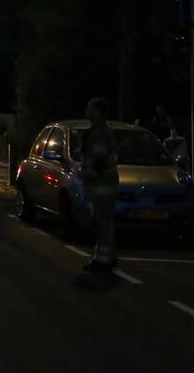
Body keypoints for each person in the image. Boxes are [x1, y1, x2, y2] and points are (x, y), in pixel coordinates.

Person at [81, 97, 120, 272]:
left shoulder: (99, 133)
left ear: (97, 111)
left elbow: (101, 158)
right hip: (102, 183)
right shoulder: (100, 131)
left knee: (102, 222)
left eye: (90, 108)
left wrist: (90, 173)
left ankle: (103, 259)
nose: (87, 111)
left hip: (102, 184)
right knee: (104, 222)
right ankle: (108, 255)